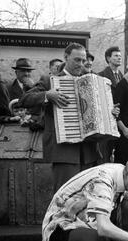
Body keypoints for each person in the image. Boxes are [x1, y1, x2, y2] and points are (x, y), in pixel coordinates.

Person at [18, 43, 100, 193]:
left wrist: (111, 112)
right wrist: (47, 95)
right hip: (64, 151)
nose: (80, 64)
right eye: (76, 60)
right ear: (66, 57)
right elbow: (24, 99)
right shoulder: (50, 80)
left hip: (88, 151)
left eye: (83, 60)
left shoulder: (90, 81)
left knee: (87, 198)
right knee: (65, 197)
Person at [97, 46, 124, 163]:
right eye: (116, 56)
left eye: (120, 55)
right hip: (107, 121)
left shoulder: (123, 77)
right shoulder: (101, 76)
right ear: (108, 58)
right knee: (105, 155)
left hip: (121, 120)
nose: (119, 58)